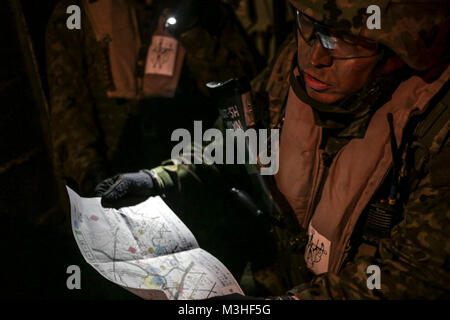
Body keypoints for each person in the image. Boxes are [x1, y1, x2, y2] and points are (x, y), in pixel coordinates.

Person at [95, 0, 450, 299]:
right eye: (310, 27)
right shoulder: (292, 72)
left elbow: (416, 277)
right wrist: (158, 178)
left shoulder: (434, 130)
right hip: (283, 278)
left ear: (397, 55)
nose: (316, 57)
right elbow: (233, 142)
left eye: (343, 41)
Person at [46, 0, 264, 196]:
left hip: (200, 169)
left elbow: (244, 89)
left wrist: (192, 31)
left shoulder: (198, 8)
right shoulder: (74, 13)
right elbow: (68, 104)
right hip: (119, 172)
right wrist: (90, 172)